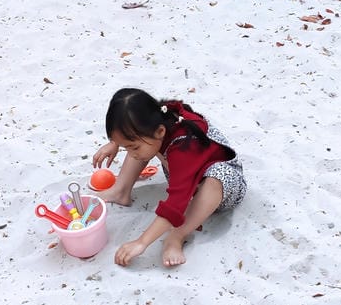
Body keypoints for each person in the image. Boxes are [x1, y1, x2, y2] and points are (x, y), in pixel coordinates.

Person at [92, 88, 245, 267]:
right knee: (142, 145)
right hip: (183, 169)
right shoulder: (157, 117)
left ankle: (177, 236)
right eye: (124, 146)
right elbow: (133, 133)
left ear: (160, 131)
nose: (129, 152)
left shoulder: (183, 147)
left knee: (215, 178)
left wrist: (141, 242)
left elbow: (175, 204)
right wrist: (115, 144)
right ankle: (120, 191)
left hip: (222, 188)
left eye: (128, 146)